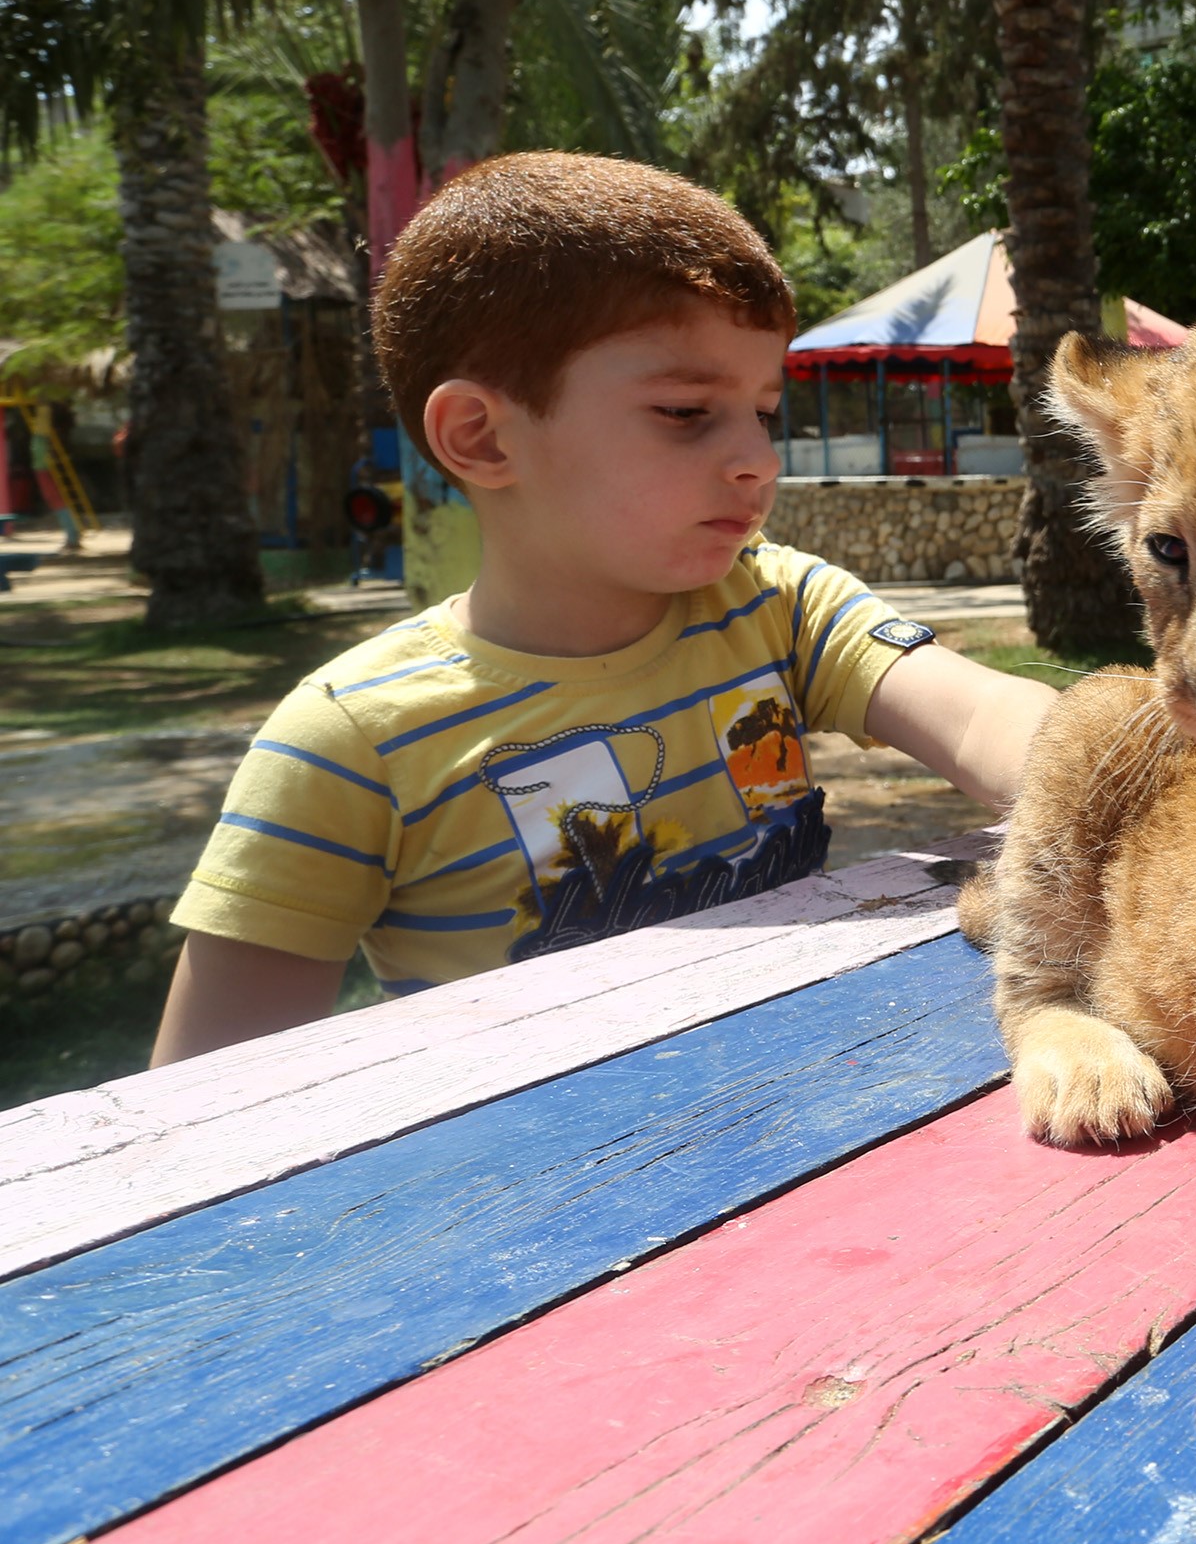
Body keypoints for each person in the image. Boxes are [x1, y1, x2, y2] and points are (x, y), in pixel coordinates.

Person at [152, 154, 1061, 1065]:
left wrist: (1122, 772)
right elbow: (206, 1097)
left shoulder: (775, 607)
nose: (758, 458)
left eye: (763, 410)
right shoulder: (348, 745)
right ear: (479, 436)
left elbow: (985, 712)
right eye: (683, 411)